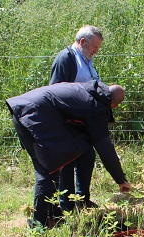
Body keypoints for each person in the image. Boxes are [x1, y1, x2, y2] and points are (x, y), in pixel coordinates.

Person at [7, 80, 131, 228]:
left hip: (25, 109)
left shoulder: (89, 89)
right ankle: (38, 224)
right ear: (114, 105)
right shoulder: (97, 107)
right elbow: (105, 148)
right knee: (47, 171)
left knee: (54, 165)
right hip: (32, 117)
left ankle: (52, 215)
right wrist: (121, 180)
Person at [49, 25, 105, 212]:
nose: (96, 52)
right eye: (94, 47)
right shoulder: (66, 59)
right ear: (82, 42)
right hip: (68, 122)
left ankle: (82, 199)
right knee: (67, 163)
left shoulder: (86, 60)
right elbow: (55, 91)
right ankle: (67, 205)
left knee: (87, 157)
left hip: (84, 123)